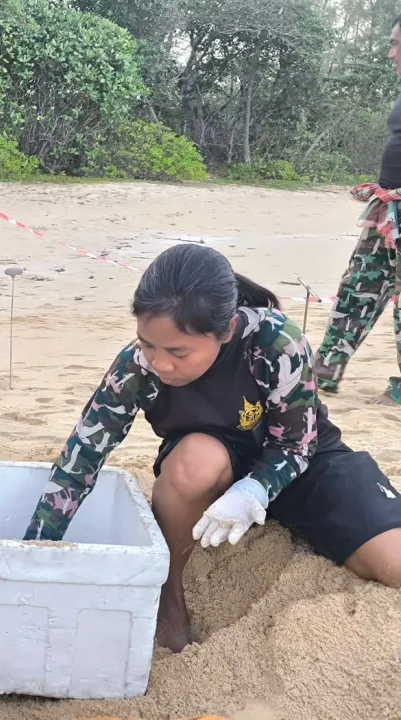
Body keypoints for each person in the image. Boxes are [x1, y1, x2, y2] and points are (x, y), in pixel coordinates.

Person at [23, 244, 401, 653]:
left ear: (227, 330)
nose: (160, 363)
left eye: (178, 352)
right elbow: (79, 461)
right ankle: (168, 595)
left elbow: (297, 443)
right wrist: (33, 552)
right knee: (197, 460)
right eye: (148, 344)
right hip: (212, 468)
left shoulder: (275, 341)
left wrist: (256, 488)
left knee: (392, 564)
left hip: (303, 460)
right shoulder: (136, 366)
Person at [315, 17, 401, 405]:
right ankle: (324, 373)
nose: (390, 53)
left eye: (396, 44)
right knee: (358, 286)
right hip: (386, 211)